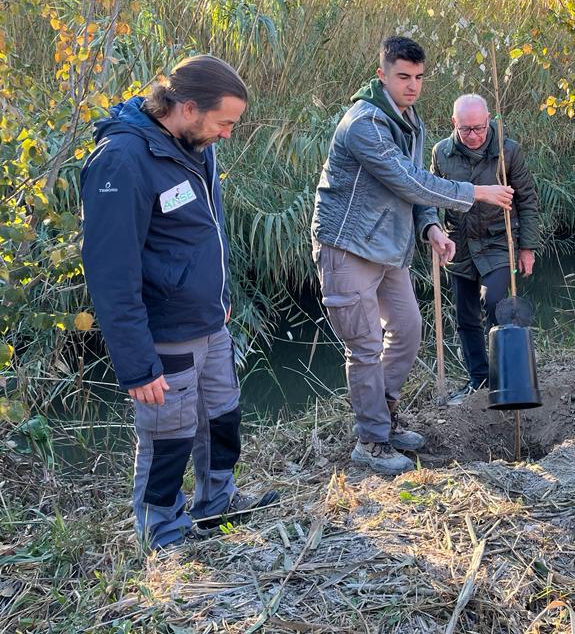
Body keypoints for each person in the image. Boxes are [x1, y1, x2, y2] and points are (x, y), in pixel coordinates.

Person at [80, 55, 278, 551]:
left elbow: (208, 232)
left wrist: (223, 296)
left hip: (210, 324)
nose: (228, 134)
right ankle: (163, 533)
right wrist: (137, 366)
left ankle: (217, 503)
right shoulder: (122, 161)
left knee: (222, 416)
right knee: (169, 438)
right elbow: (110, 275)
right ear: (188, 107)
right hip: (165, 335)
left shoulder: (196, 145)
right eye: (224, 122)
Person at [310, 37, 514, 475]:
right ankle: (371, 441)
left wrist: (432, 227)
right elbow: (408, 180)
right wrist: (476, 192)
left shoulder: (411, 122)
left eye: (419, 77)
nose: (412, 86)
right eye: (403, 76)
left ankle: (384, 418)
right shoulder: (363, 123)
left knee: (406, 329)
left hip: (390, 246)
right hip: (346, 246)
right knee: (365, 347)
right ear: (382, 74)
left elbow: (415, 189)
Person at [430, 94, 541, 405]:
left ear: (489, 119)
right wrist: (435, 232)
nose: (475, 136)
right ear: (454, 124)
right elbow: (432, 198)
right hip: (460, 243)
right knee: (465, 315)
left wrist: (528, 246)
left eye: (480, 128)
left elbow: (528, 201)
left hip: (499, 240)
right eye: (466, 130)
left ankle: (508, 375)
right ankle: (478, 379)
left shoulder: (508, 151)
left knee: (494, 301)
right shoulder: (442, 153)